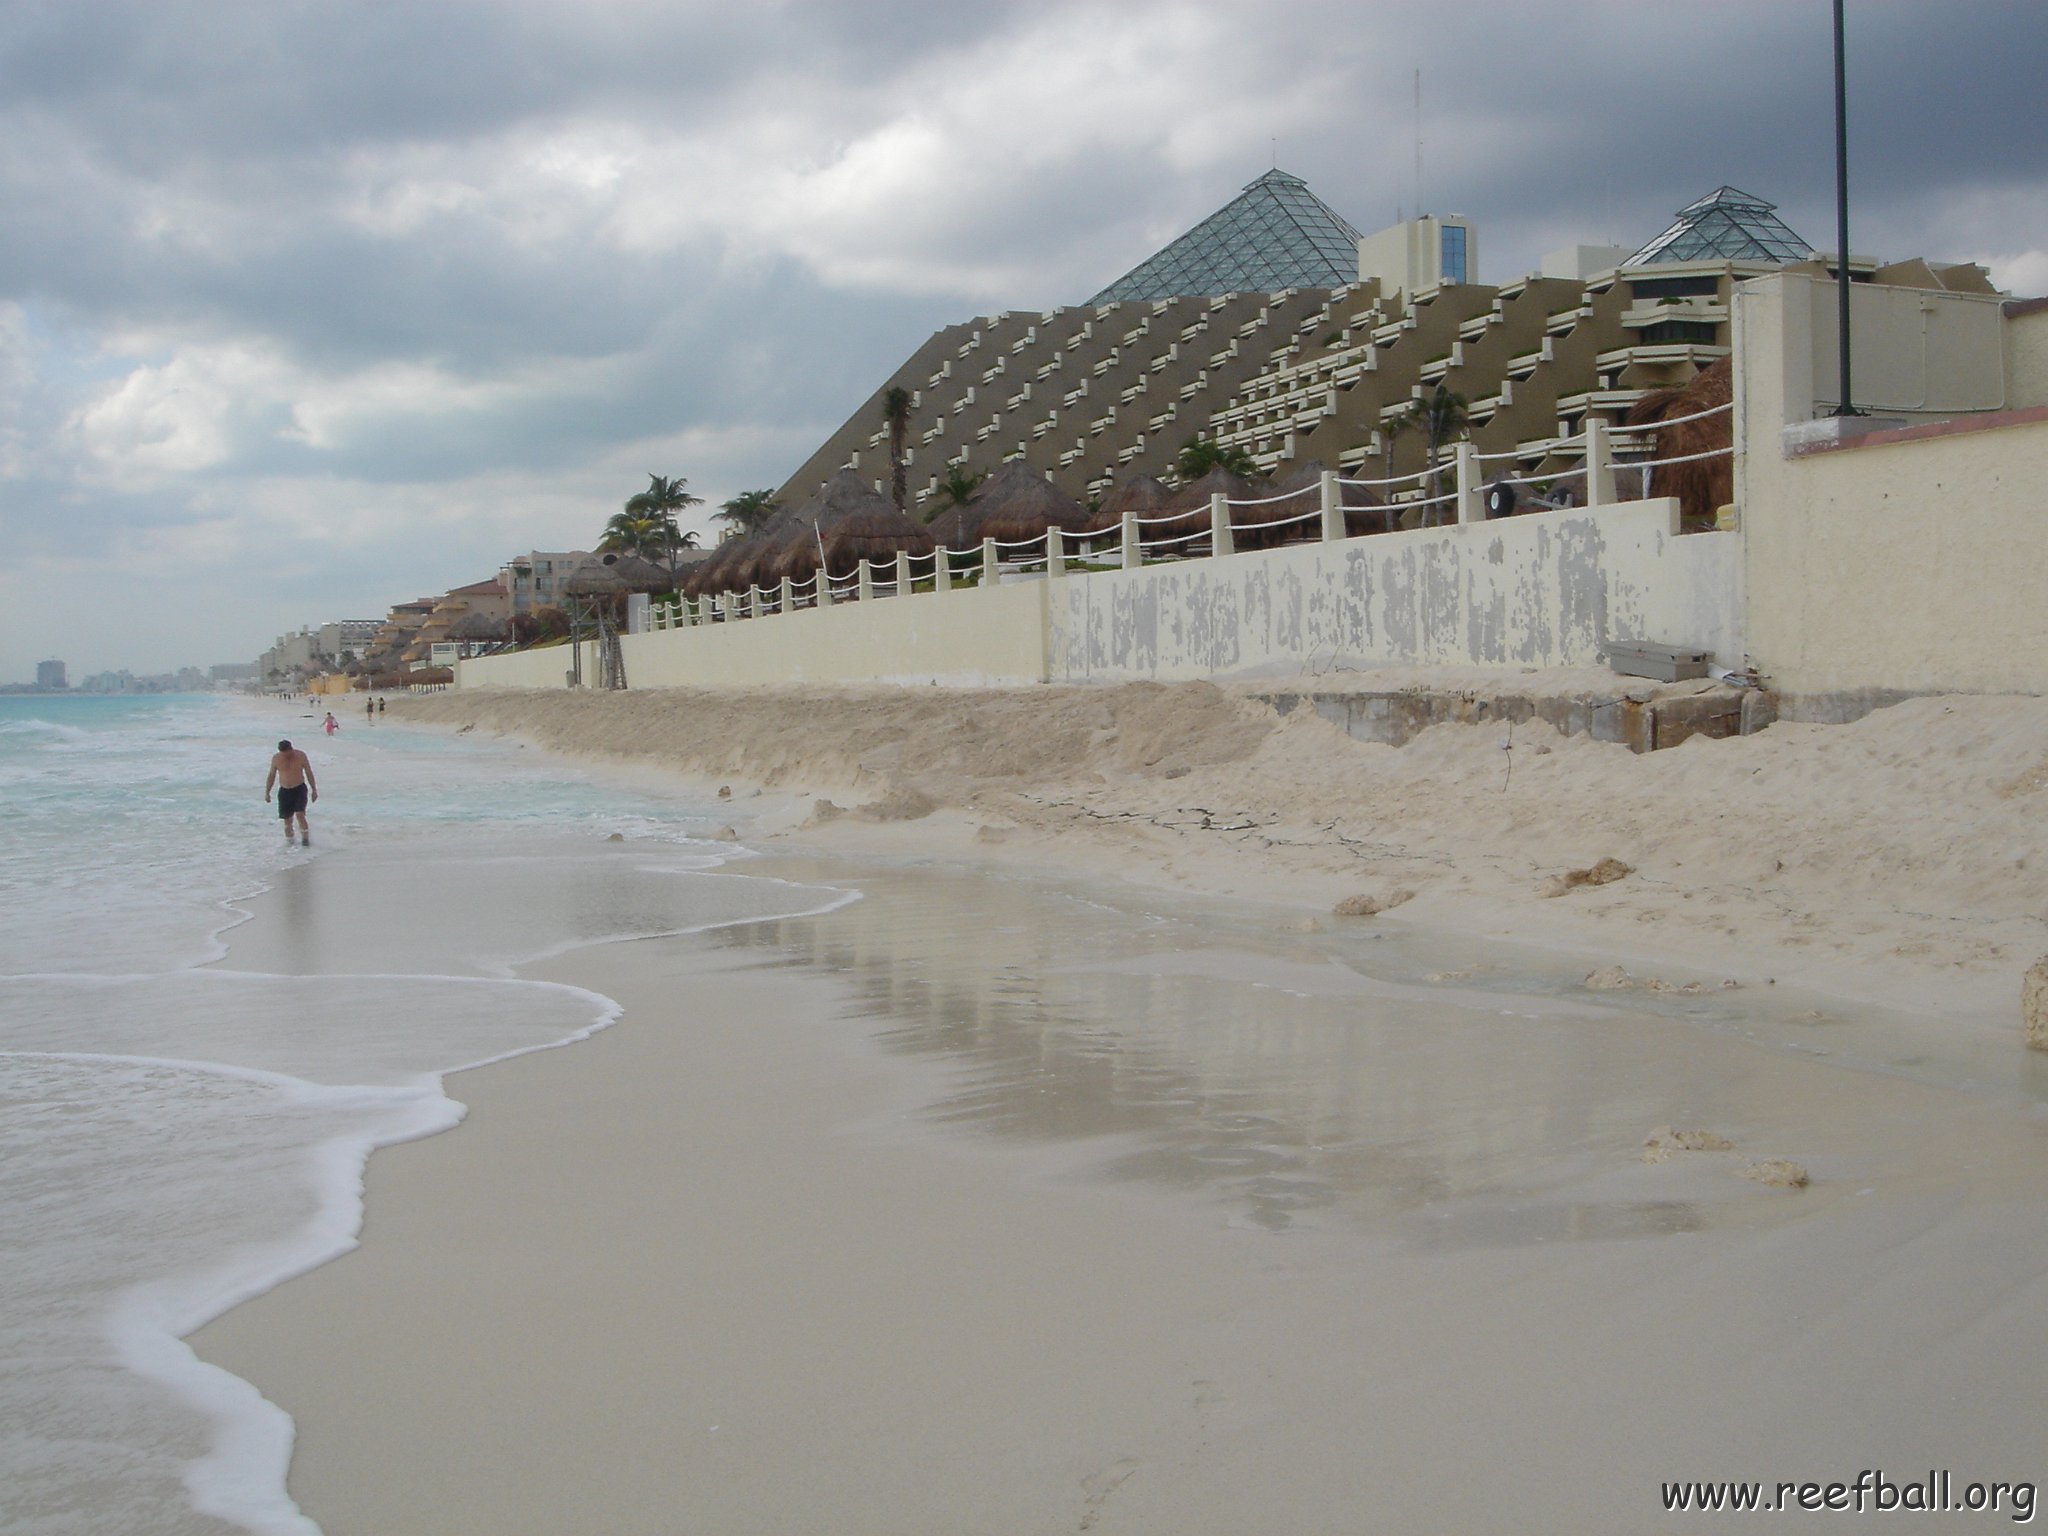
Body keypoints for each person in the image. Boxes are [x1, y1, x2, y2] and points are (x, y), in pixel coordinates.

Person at [265, 739, 318, 846]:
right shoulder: (276, 759)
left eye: (288, 753)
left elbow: (308, 772)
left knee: (300, 814)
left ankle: (305, 841)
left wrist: (314, 790)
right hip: (285, 791)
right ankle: (290, 843)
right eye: (283, 754)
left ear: (291, 749)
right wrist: (267, 792)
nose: (286, 756)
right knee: (287, 820)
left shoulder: (300, 756)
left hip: (299, 789)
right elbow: (271, 775)